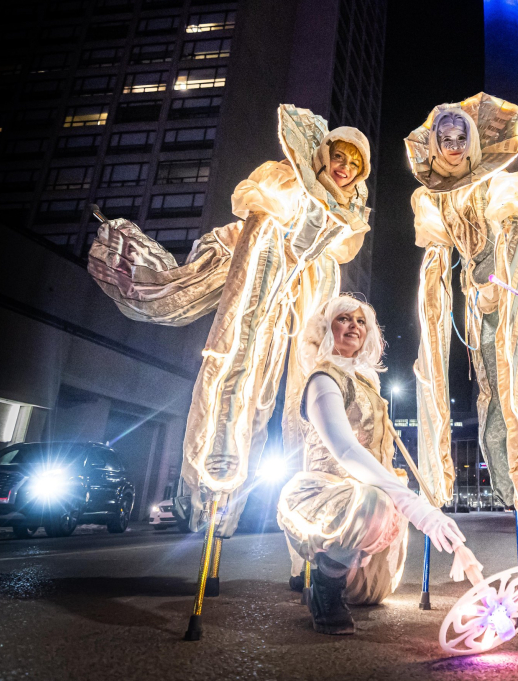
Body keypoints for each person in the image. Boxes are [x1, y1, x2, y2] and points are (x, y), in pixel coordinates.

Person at [88, 105, 372, 540]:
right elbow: (261, 231)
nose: (345, 168)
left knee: (303, 393)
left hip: (294, 304)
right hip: (258, 279)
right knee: (237, 377)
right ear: (324, 155)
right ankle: (212, 492)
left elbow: (323, 269)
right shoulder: (287, 182)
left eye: (355, 164)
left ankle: (307, 526)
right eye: (340, 156)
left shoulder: (346, 214)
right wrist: (263, 278)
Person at [405, 92, 518, 525]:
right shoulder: (433, 199)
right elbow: (437, 256)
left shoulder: (499, 182)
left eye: (463, 135)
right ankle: (507, 481)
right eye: (446, 136)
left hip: (517, 281)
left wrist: (499, 281)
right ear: (435, 144)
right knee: (493, 386)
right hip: (479, 293)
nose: (455, 142)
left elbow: (515, 234)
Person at [277, 295, 467, 635]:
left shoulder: (367, 383)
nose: (353, 325)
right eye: (343, 319)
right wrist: (416, 508)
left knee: (371, 595)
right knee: (374, 502)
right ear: (325, 328)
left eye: (360, 321)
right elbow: (347, 451)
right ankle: (324, 585)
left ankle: (344, 568)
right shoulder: (323, 379)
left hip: (368, 495)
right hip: (330, 496)